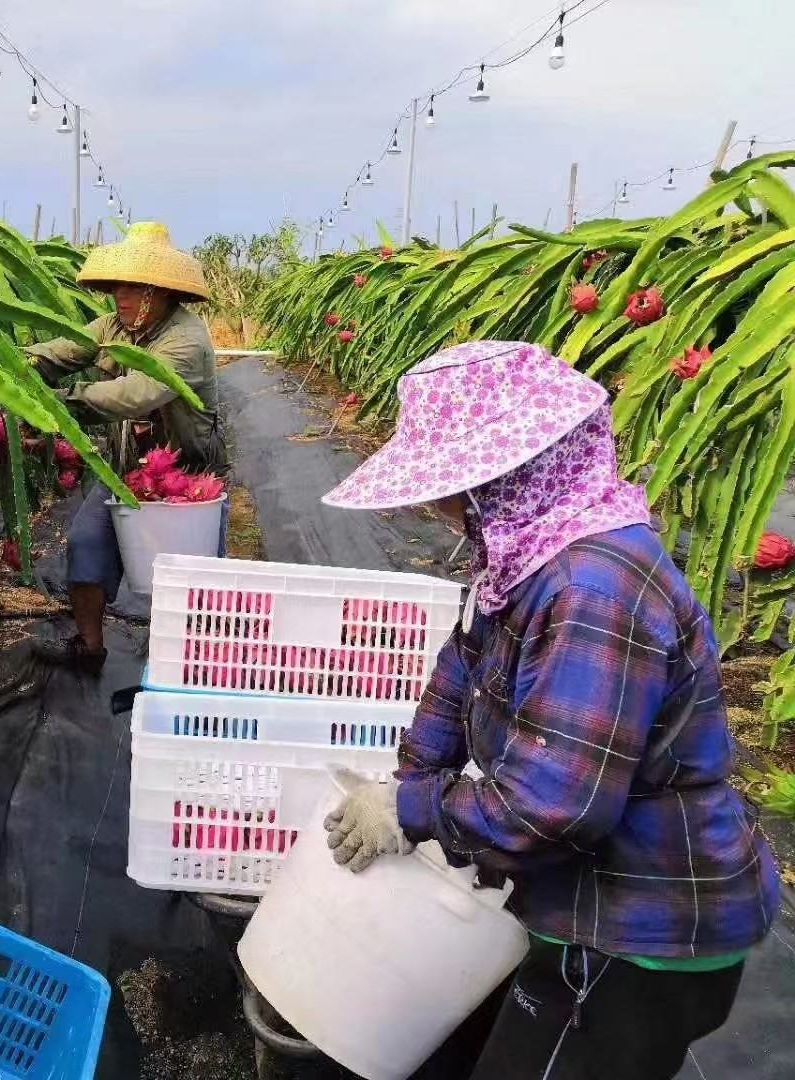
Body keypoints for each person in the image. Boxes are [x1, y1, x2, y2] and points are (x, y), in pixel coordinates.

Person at [319, 341, 780, 1079]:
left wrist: (415, 810)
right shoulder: (524, 555)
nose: (438, 504)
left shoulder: (595, 587)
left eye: (454, 483)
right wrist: (408, 780)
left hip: (639, 928)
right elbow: (461, 668)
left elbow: (556, 804)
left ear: (508, 475)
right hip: (580, 894)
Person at [24, 222, 227, 671]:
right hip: (125, 471)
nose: (121, 295)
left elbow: (132, 394)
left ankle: (189, 664)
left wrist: (54, 406)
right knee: (84, 543)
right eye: (118, 286)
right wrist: (15, 368)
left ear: (160, 291)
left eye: (133, 288)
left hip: (187, 477)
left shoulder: (186, 341)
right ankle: (89, 647)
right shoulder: (113, 326)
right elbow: (63, 351)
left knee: (186, 579)